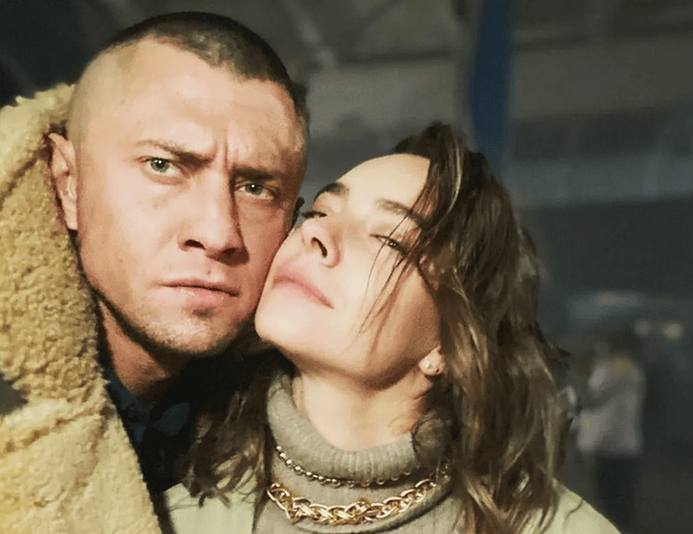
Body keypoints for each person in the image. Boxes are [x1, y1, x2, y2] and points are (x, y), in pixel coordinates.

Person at [0, 12, 307, 534]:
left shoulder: (276, 425)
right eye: (164, 166)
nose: (218, 232)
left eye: (256, 188)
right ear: (68, 182)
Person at [163, 123, 620, 533]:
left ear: (450, 342)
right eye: (319, 212)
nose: (316, 234)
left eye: (387, 239)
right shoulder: (165, 519)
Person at [576, 328, 646, 533]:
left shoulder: (613, 369)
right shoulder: (630, 368)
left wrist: (579, 378)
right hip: (622, 445)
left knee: (609, 503)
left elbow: (590, 400)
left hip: (608, 444)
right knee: (621, 501)